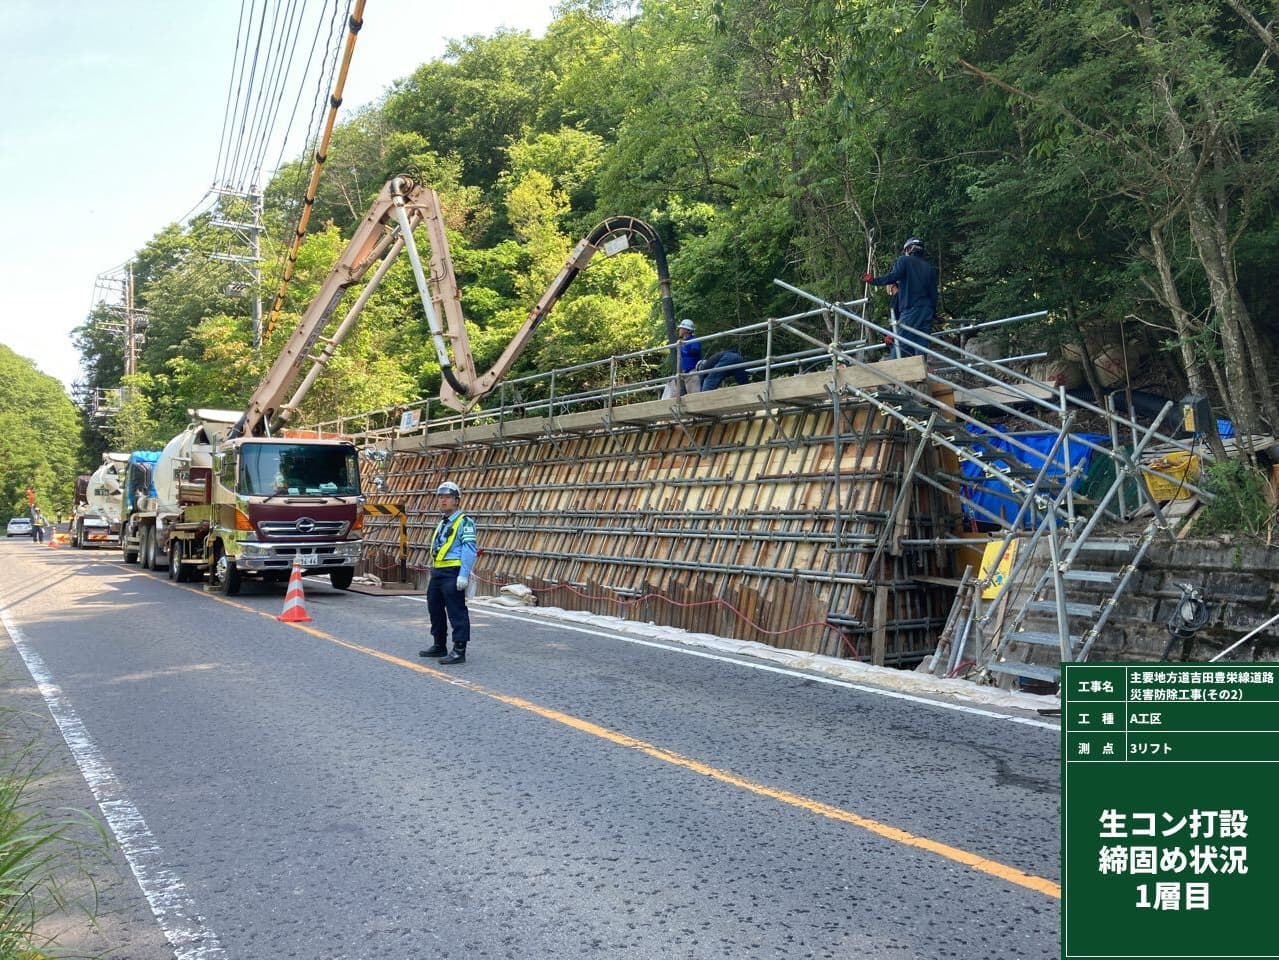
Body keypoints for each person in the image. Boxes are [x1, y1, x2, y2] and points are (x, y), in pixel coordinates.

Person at [419, 481, 477, 665]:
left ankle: (459, 650)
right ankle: (439, 644)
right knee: (434, 609)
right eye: (441, 497)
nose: (443, 501)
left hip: (453, 572)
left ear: (457, 500)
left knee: (456, 611)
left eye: (447, 497)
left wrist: (463, 574)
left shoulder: (464, 522)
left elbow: (469, 549)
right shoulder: (443, 522)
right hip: (438, 572)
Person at [863, 238, 938, 358]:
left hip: (911, 309)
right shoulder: (929, 268)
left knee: (899, 346)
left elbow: (893, 276)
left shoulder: (904, 261)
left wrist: (874, 280)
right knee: (920, 348)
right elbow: (933, 293)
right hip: (927, 311)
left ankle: (892, 375)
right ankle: (921, 375)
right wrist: (934, 312)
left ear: (909, 249)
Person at [675, 318, 702, 395]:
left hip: (693, 372)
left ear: (687, 330)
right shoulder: (683, 342)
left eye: (681, 328)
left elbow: (695, 351)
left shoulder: (693, 340)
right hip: (686, 374)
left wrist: (684, 347)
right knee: (690, 396)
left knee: (695, 396)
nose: (679, 330)